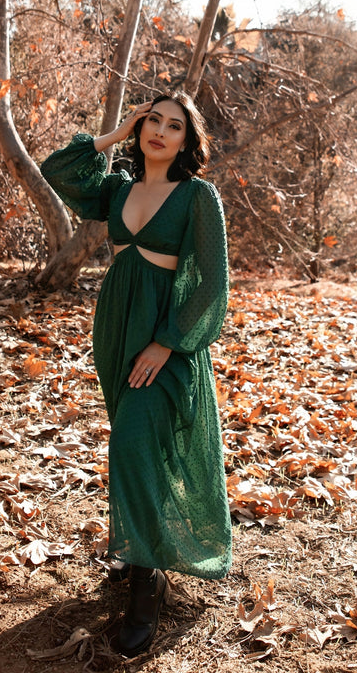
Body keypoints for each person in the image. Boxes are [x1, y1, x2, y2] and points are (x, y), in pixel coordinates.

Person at [40, 91, 232, 657]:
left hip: (165, 340)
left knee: (132, 445)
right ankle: (140, 550)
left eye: (175, 126)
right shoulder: (118, 189)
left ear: (186, 140)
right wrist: (115, 134)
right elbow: (59, 169)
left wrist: (167, 344)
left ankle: (146, 600)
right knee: (134, 446)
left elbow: (213, 285)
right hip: (116, 334)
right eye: (153, 120)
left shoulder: (198, 196)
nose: (160, 131)